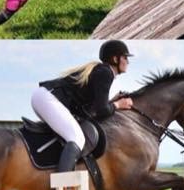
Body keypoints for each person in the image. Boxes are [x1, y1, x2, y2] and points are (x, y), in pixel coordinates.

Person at [31, 40, 134, 174]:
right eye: (125, 57)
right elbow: (101, 111)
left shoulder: (101, 70)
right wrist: (119, 104)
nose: (128, 62)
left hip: (44, 97)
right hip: (48, 99)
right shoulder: (105, 73)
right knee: (77, 138)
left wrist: (111, 102)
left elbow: (93, 110)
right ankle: (62, 187)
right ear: (115, 59)